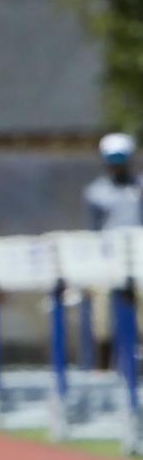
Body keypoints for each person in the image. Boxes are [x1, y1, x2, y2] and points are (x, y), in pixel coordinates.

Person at [82, 132, 141, 368]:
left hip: (140, 258)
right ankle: (103, 364)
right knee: (102, 312)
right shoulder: (95, 192)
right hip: (108, 260)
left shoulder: (139, 188)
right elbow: (93, 230)